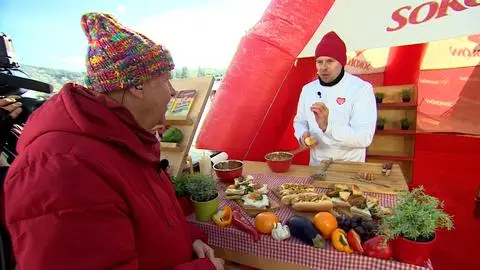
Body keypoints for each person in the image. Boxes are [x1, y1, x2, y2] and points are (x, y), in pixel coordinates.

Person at [3, 13, 224, 270]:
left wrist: (189, 240)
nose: (173, 92)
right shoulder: (61, 168)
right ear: (137, 87)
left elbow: (148, 222)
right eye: (165, 81)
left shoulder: (125, 142)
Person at [293, 31, 377, 166]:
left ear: (342, 62)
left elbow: (364, 138)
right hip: (317, 165)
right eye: (319, 62)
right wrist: (302, 135)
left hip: (349, 166)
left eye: (330, 61)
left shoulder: (361, 89)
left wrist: (327, 127)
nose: (324, 67)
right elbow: (300, 121)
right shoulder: (308, 90)